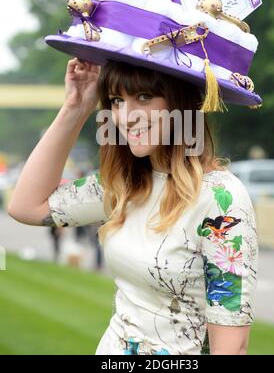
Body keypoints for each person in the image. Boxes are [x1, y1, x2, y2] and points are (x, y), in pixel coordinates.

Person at [7, 56, 258, 355]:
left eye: (143, 97)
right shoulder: (122, 185)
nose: (126, 117)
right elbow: (26, 206)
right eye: (116, 100)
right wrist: (75, 108)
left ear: (181, 103)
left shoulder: (220, 199)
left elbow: (232, 348)